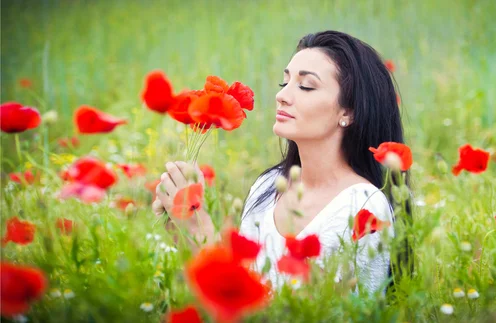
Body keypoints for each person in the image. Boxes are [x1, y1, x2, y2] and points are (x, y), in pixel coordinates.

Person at [152, 30, 409, 295]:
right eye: (283, 83)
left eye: (306, 86)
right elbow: (238, 294)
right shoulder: (268, 186)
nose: (282, 95)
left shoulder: (362, 207)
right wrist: (184, 231)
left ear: (348, 111)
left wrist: (202, 234)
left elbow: (304, 313)